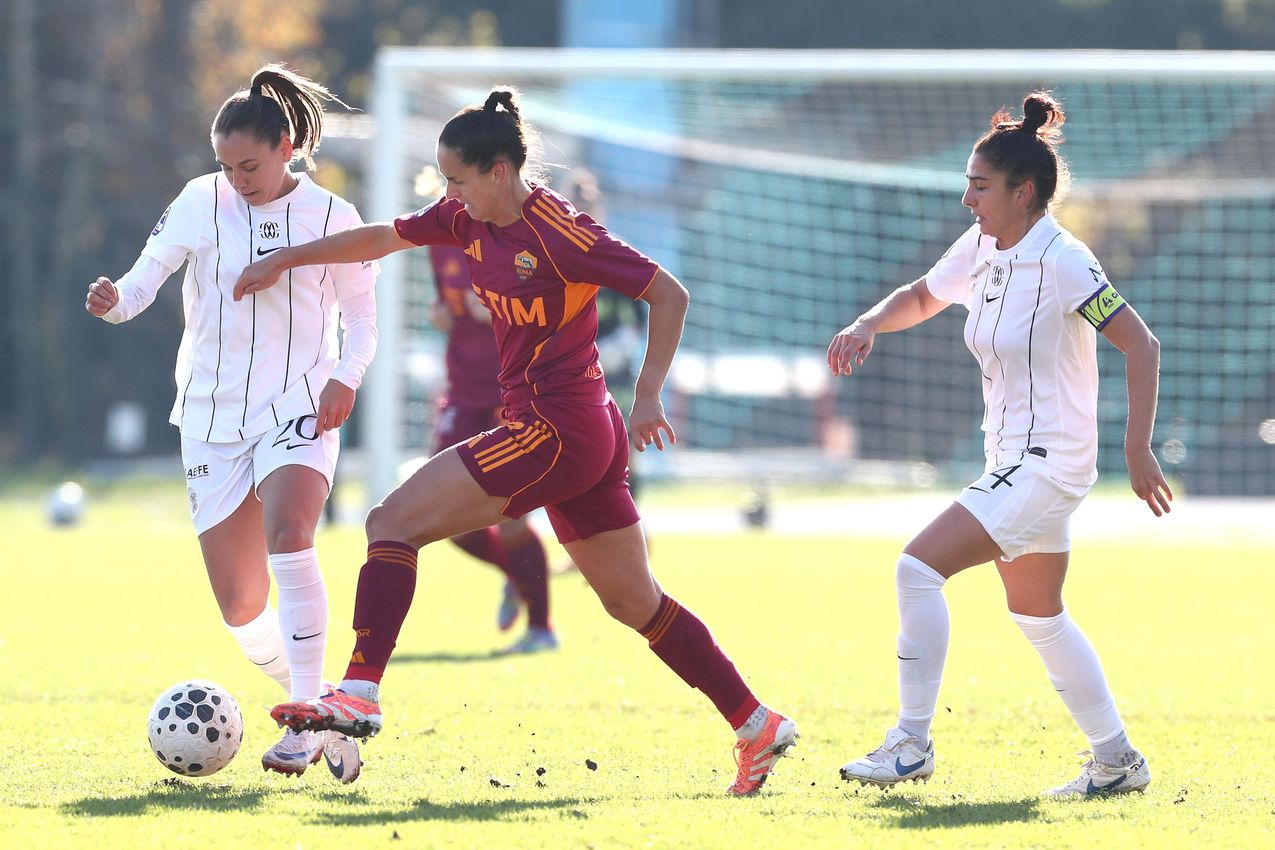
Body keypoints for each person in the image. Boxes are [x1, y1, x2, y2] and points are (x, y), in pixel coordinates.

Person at [235, 86, 798, 796]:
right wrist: (287, 259)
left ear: (499, 172)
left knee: (390, 522)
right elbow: (382, 236)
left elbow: (668, 294)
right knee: (634, 603)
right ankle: (756, 725)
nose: (449, 194)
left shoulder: (561, 232)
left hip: (553, 430)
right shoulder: (466, 220)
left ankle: (358, 692)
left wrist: (649, 391)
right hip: (579, 437)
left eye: (458, 180)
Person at [827, 92, 1172, 797]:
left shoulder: (1064, 260)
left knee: (916, 569)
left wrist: (1138, 450)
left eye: (979, 186)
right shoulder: (983, 245)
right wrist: (868, 322)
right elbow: (925, 295)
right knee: (1037, 614)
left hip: (1047, 463)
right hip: (1013, 460)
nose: (965, 199)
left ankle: (909, 744)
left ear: (1024, 192)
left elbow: (1140, 343)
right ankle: (1117, 761)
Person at [85, 64, 378, 783]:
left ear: (286, 147)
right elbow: (141, 285)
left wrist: (344, 378)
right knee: (242, 608)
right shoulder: (197, 201)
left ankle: (307, 717)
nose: (236, 178)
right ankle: (316, 705)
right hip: (211, 414)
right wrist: (111, 299)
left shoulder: (333, 216)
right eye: (225, 166)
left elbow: (362, 320)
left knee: (291, 536)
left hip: (298, 402)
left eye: (248, 164)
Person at [427, 241, 556, 652]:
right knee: (439, 512)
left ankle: (541, 629)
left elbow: (545, 310)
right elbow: (444, 302)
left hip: (511, 391)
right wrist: (441, 314)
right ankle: (520, 577)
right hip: (462, 392)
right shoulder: (436, 239)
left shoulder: (510, 232)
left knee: (510, 511)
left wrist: (500, 312)